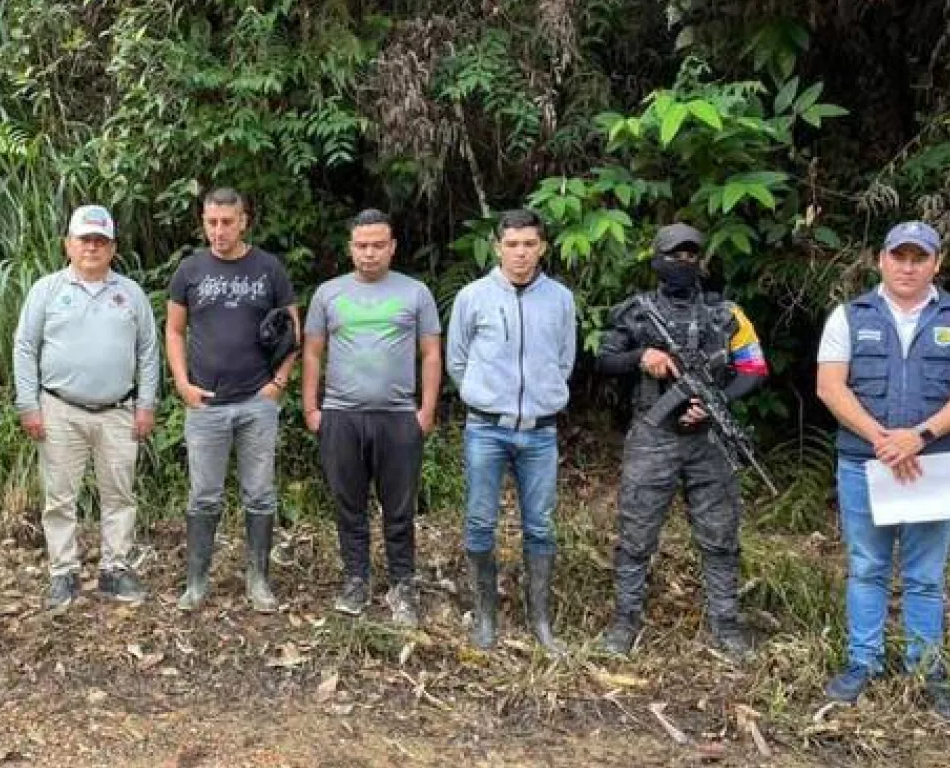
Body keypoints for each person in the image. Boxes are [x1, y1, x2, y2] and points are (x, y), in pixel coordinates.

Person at [815, 220, 950, 724]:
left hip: (932, 464)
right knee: (867, 567)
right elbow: (830, 386)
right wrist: (883, 439)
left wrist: (919, 436)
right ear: (880, 259)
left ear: (937, 263)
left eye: (919, 258)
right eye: (899, 257)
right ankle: (863, 663)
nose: (908, 267)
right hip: (865, 461)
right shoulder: (849, 314)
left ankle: (927, 671)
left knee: (925, 578)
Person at [596, 222, 768, 660]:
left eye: (692, 255)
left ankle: (726, 625)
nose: (684, 263)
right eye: (675, 255)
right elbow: (604, 360)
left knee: (720, 536)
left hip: (707, 438)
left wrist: (715, 404)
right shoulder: (635, 312)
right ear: (656, 260)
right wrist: (642, 356)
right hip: (653, 434)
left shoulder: (728, 315)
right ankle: (624, 621)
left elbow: (753, 368)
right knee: (636, 534)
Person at [12, 205, 160, 608]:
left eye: (100, 241)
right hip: (60, 408)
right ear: (69, 245)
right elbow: (25, 347)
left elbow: (148, 351)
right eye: (85, 240)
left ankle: (115, 568)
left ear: (112, 247)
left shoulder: (130, 293)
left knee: (119, 493)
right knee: (60, 497)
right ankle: (63, 573)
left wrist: (146, 404)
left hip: (118, 410)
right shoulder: (46, 290)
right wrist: (29, 404)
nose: (92, 247)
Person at [301, 209, 441, 627]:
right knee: (349, 504)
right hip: (341, 416)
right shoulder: (328, 294)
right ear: (350, 248)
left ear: (392, 247)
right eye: (362, 246)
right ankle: (356, 579)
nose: (370, 253)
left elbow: (431, 353)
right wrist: (312, 408)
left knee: (399, 508)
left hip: (398, 417)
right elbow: (312, 352)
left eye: (378, 245)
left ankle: (402, 584)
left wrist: (426, 410)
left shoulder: (416, 293)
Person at [446, 209, 575, 652]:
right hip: (487, 429)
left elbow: (565, 359)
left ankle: (540, 619)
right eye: (512, 244)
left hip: (540, 432)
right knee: (481, 521)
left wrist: (541, 398)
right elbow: (457, 360)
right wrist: (484, 396)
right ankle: (486, 618)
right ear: (498, 246)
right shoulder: (473, 297)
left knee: (539, 524)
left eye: (530, 244)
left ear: (542, 247)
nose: (521, 253)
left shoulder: (560, 299)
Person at [166, 188, 300, 613]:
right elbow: (173, 330)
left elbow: (293, 328)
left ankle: (258, 581)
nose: (218, 231)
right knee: (204, 495)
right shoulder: (190, 270)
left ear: (244, 220)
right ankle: (197, 583)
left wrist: (278, 384)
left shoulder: (268, 268)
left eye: (227, 221)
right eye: (211, 222)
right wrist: (183, 383)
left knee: (259, 494)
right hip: (206, 403)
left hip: (256, 402)